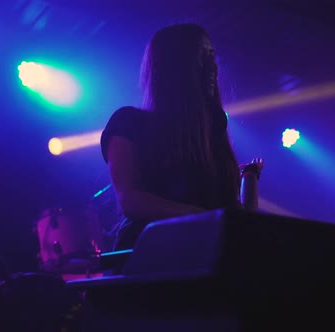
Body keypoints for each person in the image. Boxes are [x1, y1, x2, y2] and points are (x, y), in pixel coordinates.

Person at [100, 23, 262, 251]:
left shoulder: (213, 130)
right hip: (148, 255)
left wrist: (249, 177)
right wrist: (200, 216)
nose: (213, 67)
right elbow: (131, 200)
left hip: (204, 256)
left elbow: (242, 219)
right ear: (173, 67)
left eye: (212, 56)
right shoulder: (128, 122)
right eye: (202, 56)